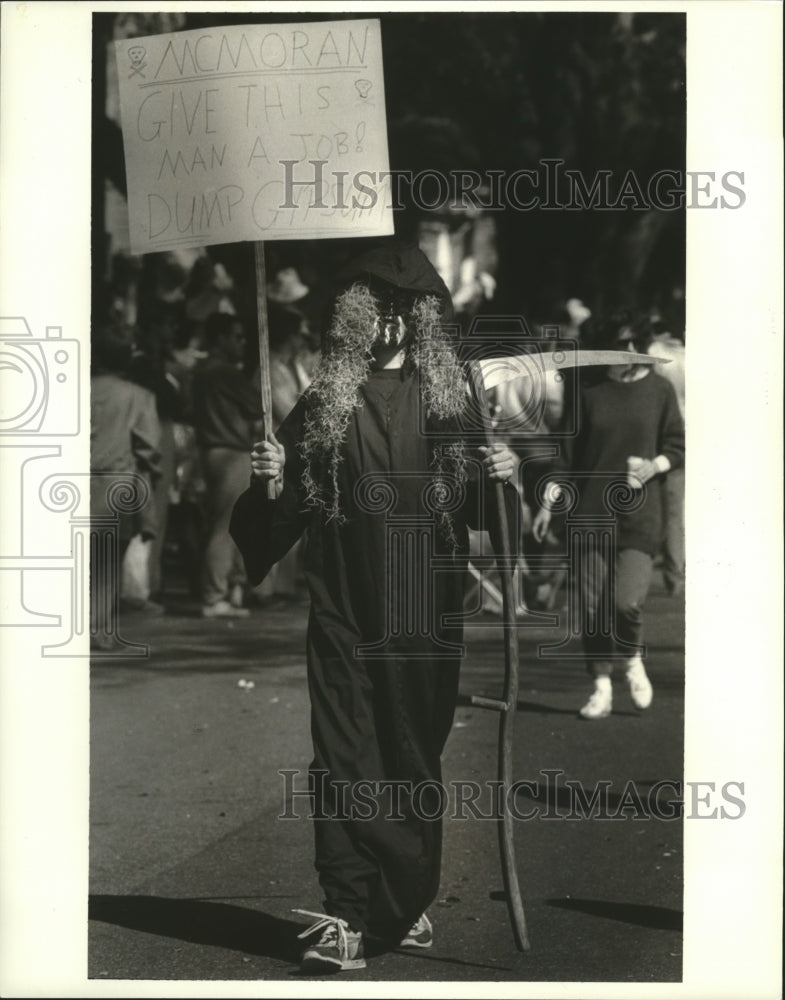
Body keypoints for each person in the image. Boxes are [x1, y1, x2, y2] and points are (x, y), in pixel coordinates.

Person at [230, 242, 519, 973]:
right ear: (353, 314)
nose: (388, 323)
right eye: (374, 308)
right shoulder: (326, 402)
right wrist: (267, 480)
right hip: (343, 605)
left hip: (425, 611)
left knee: (408, 754)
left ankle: (406, 902)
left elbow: (490, 514)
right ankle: (348, 913)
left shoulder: (453, 401)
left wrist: (505, 476)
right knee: (341, 756)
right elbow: (281, 515)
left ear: (422, 316)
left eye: (402, 309)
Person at [532, 312, 684, 720]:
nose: (630, 352)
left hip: (639, 514)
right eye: (620, 345)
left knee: (625, 603)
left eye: (635, 343)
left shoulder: (660, 390)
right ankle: (600, 685)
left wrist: (656, 465)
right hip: (590, 512)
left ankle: (632, 658)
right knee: (593, 606)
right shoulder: (587, 389)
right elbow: (565, 454)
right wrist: (549, 499)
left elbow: (678, 444)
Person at [90, 321, 161, 650]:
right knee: (107, 561)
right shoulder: (138, 396)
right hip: (115, 484)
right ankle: (98, 628)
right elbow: (148, 446)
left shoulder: (74, 388)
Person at [192, 312, 262, 618]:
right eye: (236, 336)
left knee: (227, 522)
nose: (241, 343)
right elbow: (257, 404)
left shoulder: (203, 370)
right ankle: (215, 594)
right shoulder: (223, 373)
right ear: (220, 339)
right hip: (230, 451)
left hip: (214, 450)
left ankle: (229, 590)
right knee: (225, 526)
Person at [648, 318, 686, 596]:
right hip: (688, 434)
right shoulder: (695, 357)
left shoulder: (656, 356)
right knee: (675, 510)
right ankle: (675, 573)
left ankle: (667, 569)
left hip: (662, 435)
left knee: (664, 507)